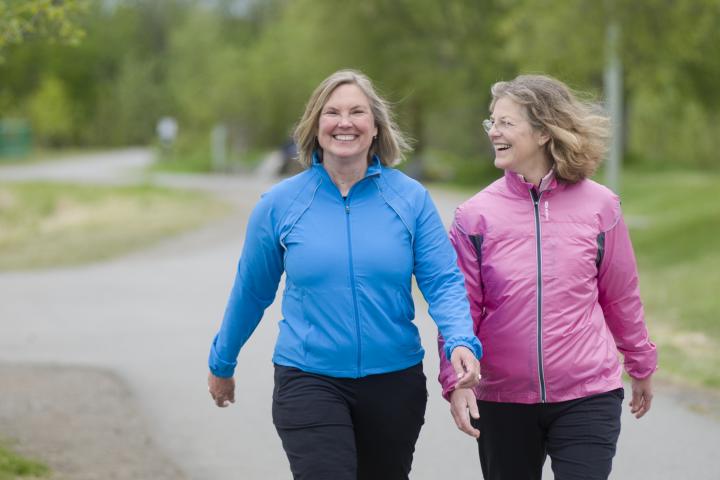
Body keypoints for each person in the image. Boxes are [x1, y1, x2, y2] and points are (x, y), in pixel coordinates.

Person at [207, 69, 482, 480]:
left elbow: (443, 282)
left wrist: (460, 340)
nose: (345, 122)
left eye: (357, 112)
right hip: (308, 379)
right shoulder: (280, 204)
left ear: (375, 127)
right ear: (316, 126)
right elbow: (251, 291)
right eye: (332, 112)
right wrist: (222, 361)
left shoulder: (410, 199)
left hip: (394, 383)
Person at [438, 74, 657, 480]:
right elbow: (458, 308)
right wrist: (457, 381)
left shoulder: (601, 206)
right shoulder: (474, 215)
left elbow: (620, 295)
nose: (494, 133)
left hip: (587, 393)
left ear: (542, 131)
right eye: (492, 122)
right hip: (504, 398)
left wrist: (640, 363)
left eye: (505, 122)